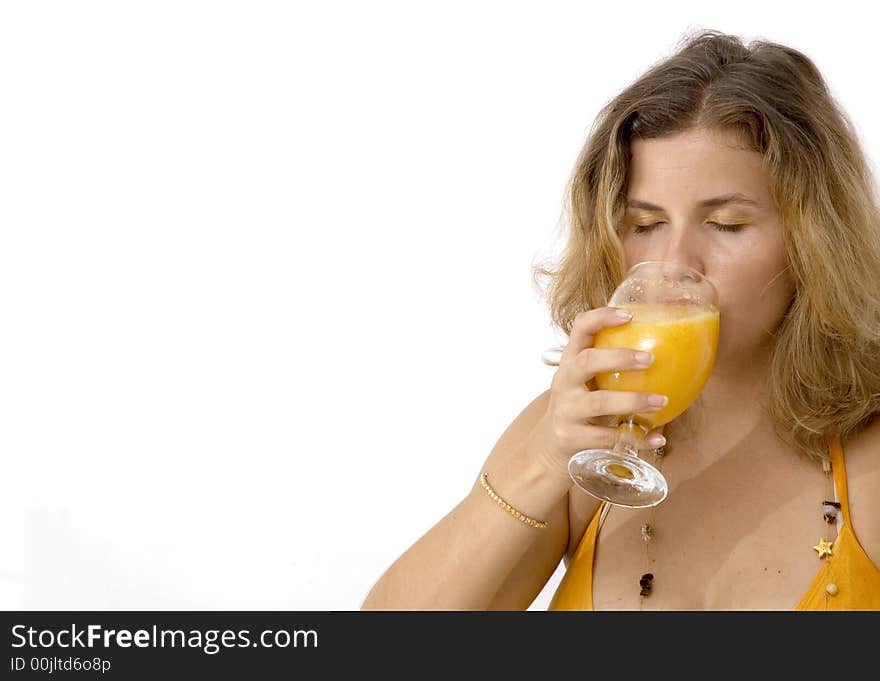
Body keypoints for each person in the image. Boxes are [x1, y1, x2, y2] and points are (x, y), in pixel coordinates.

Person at [360, 29, 880, 610]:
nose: (675, 262)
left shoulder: (868, 460)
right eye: (645, 224)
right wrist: (541, 464)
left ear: (816, 240)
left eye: (727, 224)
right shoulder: (578, 434)